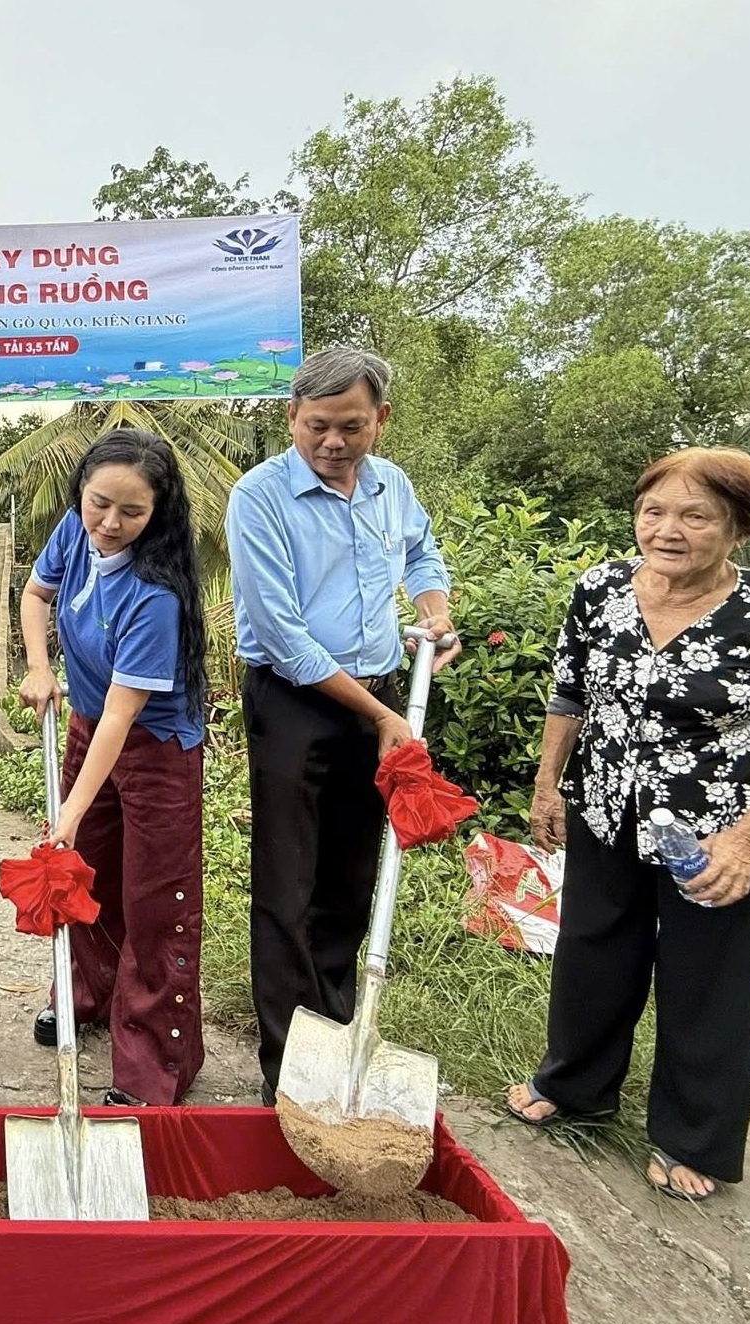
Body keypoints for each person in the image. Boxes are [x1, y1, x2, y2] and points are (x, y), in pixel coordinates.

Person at [508, 448, 750, 1201]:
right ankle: (577, 1086)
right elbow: (569, 697)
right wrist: (548, 787)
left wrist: (747, 837)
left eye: (695, 515)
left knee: (708, 981)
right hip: (606, 807)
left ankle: (694, 1138)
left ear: (738, 529)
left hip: (717, 834)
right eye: (654, 511)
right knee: (593, 955)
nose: (667, 529)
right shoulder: (600, 589)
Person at [224, 347, 458, 1104]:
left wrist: (434, 611)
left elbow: (421, 551)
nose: (332, 442)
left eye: (351, 426)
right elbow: (282, 634)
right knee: (289, 880)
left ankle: (336, 1031)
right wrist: (385, 714)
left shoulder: (393, 486)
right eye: (316, 426)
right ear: (291, 417)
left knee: (352, 879)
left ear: (380, 421)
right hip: (297, 704)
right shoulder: (259, 498)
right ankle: (287, 1068)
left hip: (381, 698)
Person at [17, 428, 209, 1106]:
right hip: (86, 726)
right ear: (82, 493)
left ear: (159, 511)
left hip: (157, 750)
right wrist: (40, 669)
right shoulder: (76, 530)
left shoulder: (155, 596)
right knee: (90, 876)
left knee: (157, 904)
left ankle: (154, 1063)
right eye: (100, 503)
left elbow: (126, 718)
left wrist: (67, 811)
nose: (110, 523)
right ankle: (85, 995)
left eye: (132, 512)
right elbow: (36, 597)